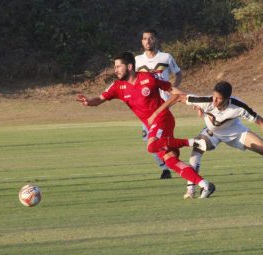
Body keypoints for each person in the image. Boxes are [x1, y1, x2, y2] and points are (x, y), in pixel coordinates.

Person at [76, 51, 215, 198]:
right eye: (114, 67)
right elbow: (99, 99)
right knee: (170, 160)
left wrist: (191, 101)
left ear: (129, 66)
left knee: (151, 146)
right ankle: (204, 184)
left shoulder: (148, 78)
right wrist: (88, 102)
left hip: (162, 118)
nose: (115, 70)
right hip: (151, 125)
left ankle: (193, 142)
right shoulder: (118, 86)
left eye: (118, 66)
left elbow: (172, 90)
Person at [148, 81, 263, 199]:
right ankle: (191, 188)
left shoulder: (238, 106)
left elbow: (262, 122)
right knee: (196, 151)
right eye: (214, 97)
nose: (215, 101)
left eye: (219, 99)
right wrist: (156, 114)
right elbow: (176, 97)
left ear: (228, 99)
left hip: (236, 133)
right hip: (212, 133)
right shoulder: (207, 101)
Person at [135, 28, 183, 179]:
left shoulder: (166, 57)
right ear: (141, 41)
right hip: (148, 105)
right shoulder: (137, 60)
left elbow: (178, 73)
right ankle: (167, 165)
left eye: (150, 38)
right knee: (148, 138)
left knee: (155, 138)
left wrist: (173, 88)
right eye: (144, 38)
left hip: (164, 103)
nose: (147, 41)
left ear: (156, 40)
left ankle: (170, 163)